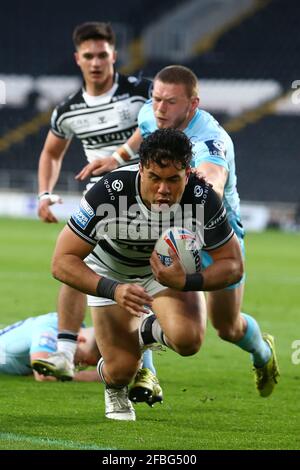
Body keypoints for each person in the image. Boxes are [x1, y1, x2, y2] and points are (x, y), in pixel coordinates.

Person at [79, 65, 280, 400]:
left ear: (193, 105)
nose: (159, 108)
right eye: (156, 99)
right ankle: (147, 373)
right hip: (166, 228)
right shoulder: (153, 114)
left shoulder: (209, 140)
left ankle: (263, 354)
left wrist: (197, 192)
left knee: (227, 327)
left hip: (213, 234)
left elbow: (212, 177)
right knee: (142, 281)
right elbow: (143, 133)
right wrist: (115, 158)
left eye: (170, 102)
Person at [49, 128, 245, 421]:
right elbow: (61, 261)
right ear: (141, 169)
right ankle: (114, 384)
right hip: (112, 273)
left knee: (189, 340)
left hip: (165, 276)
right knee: (121, 369)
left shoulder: (201, 197)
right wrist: (112, 289)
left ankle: (142, 331)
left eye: (173, 180)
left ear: (188, 173)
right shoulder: (110, 191)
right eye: (155, 178)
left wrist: (188, 281)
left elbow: (232, 264)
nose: (163, 190)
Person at [35, 22, 158, 387]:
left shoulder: (141, 93)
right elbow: (51, 152)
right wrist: (44, 193)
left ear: (114, 56)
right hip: (101, 204)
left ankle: (145, 364)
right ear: (78, 59)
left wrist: (120, 155)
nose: (96, 62)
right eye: (88, 56)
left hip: (147, 201)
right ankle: (64, 352)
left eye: (102, 55)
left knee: (140, 273)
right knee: (75, 266)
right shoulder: (68, 110)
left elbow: (156, 124)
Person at [0, 312, 100, 382]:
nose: (78, 366)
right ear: (79, 340)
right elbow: (44, 375)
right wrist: (95, 376)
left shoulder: (69, 326)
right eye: (83, 361)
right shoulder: (51, 328)